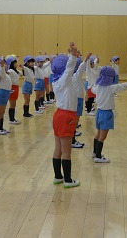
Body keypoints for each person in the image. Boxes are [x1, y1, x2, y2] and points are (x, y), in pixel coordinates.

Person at [92, 66, 127, 163]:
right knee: (103, 136)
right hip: (106, 114)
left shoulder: (97, 87)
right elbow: (123, 86)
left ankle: (95, 152)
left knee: (98, 134)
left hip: (98, 113)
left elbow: (93, 88)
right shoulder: (111, 88)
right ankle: (98, 156)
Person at [51, 42, 81, 188]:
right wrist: (72, 55)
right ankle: (68, 180)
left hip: (58, 115)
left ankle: (58, 177)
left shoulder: (56, 81)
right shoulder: (64, 79)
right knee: (66, 152)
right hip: (66, 116)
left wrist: (75, 57)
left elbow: (72, 70)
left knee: (58, 149)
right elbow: (70, 68)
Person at [72, 54, 90, 148]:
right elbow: (81, 68)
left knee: (75, 121)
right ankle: (72, 140)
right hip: (77, 99)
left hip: (78, 99)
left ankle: (73, 139)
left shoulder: (75, 76)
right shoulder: (75, 76)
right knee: (75, 121)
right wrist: (86, 59)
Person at [7, 56, 22, 125]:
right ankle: (11, 119)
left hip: (16, 87)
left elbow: (21, 73)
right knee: (12, 104)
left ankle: (13, 118)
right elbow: (6, 73)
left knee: (14, 103)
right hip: (12, 88)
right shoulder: (10, 70)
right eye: (15, 63)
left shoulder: (16, 71)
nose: (16, 64)